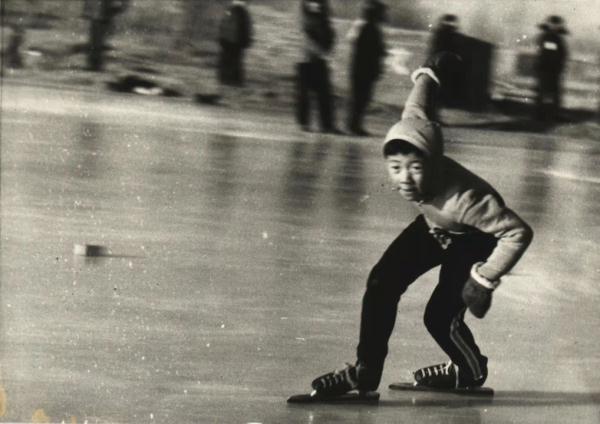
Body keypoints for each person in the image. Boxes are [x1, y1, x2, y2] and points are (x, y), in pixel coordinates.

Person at [308, 52, 534, 397]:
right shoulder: (412, 131)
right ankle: (365, 372)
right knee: (381, 282)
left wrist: (484, 279)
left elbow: (517, 232)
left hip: (474, 238)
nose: (405, 179)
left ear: (434, 162)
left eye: (415, 167)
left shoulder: (466, 198)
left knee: (439, 317)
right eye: (395, 168)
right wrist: (428, 72)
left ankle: (470, 371)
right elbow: (417, 107)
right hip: (434, 225)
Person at [296, 0, 341, 134]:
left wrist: (327, 51)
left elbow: (329, 32)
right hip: (309, 59)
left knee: (324, 94)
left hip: (317, 58)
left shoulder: (322, 18)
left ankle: (325, 125)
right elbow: (307, 38)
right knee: (307, 94)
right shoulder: (309, 17)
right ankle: (308, 123)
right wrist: (323, 53)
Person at [346, 0, 387, 136]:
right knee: (361, 99)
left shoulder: (365, 26)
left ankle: (354, 125)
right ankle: (354, 126)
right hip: (364, 71)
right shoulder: (370, 28)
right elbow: (371, 50)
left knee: (359, 98)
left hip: (360, 70)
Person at [534, 15, 569, 121]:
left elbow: (561, 53)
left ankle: (552, 114)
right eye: (554, 24)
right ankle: (541, 115)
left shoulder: (557, 38)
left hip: (554, 70)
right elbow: (549, 53)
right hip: (546, 69)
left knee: (554, 93)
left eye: (558, 24)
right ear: (549, 25)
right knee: (544, 92)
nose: (556, 26)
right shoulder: (546, 37)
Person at [82, 0, 129, 71]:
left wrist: (121, 5)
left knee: (99, 31)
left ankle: (95, 61)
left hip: (104, 9)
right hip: (101, 9)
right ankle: (94, 62)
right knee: (97, 30)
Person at [217, 0, 253, 86]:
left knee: (226, 59)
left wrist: (222, 38)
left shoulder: (229, 10)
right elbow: (245, 29)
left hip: (227, 40)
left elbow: (223, 25)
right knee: (235, 61)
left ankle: (225, 79)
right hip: (236, 41)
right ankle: (234, 81)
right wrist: (246, 41)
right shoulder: (242, 12)